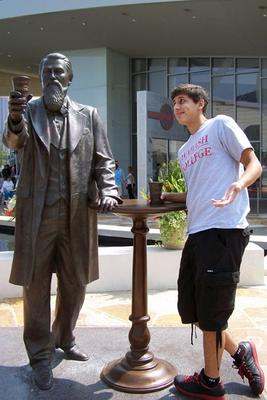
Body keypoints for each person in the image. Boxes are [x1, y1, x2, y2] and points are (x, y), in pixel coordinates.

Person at [3, 53, 120, 390]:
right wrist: (13, 117)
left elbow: (104, 158)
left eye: (59, 72)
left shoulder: (90, 115)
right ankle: (39, 355)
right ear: (40, 78)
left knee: (75, 282)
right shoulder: (27, 110)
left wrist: (109, 189)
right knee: (35, 286)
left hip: (76, 214)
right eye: (47, 72)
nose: (53, 77)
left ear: (69, 78)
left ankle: (64, 337)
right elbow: (14, 141)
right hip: (37, 213)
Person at [162, 84, 264, 399]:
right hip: (198, 233)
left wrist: (239, 183)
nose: (177, 107)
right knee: (197, 306)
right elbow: (198, 190)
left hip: (224, 229)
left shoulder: (220, 125)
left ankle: (210, 381)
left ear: (200, 103)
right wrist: (166, 198)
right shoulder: (183, 151)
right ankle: (240, 351)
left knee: (212, 309)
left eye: (183, 101)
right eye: (174, 103)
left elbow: (254, 165)